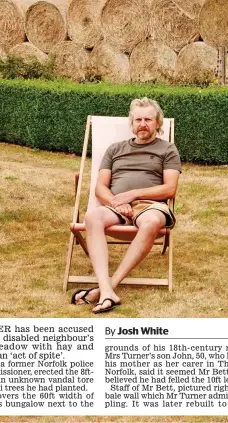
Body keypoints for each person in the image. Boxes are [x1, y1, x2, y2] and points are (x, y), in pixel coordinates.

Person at [71, 97, 181, 314]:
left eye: (148, 119)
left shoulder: (168, 149)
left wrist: (133, 194)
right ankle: (106, 290)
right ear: (131, 123)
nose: (142, 124)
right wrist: (116, 201)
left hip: (151, 205)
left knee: (151, 221)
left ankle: (108, 288)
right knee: (92, 217)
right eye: (138, 119)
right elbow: (100, 187)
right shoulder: (114, 150)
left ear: (158, 123)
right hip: (116, 204)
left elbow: (170, 189)